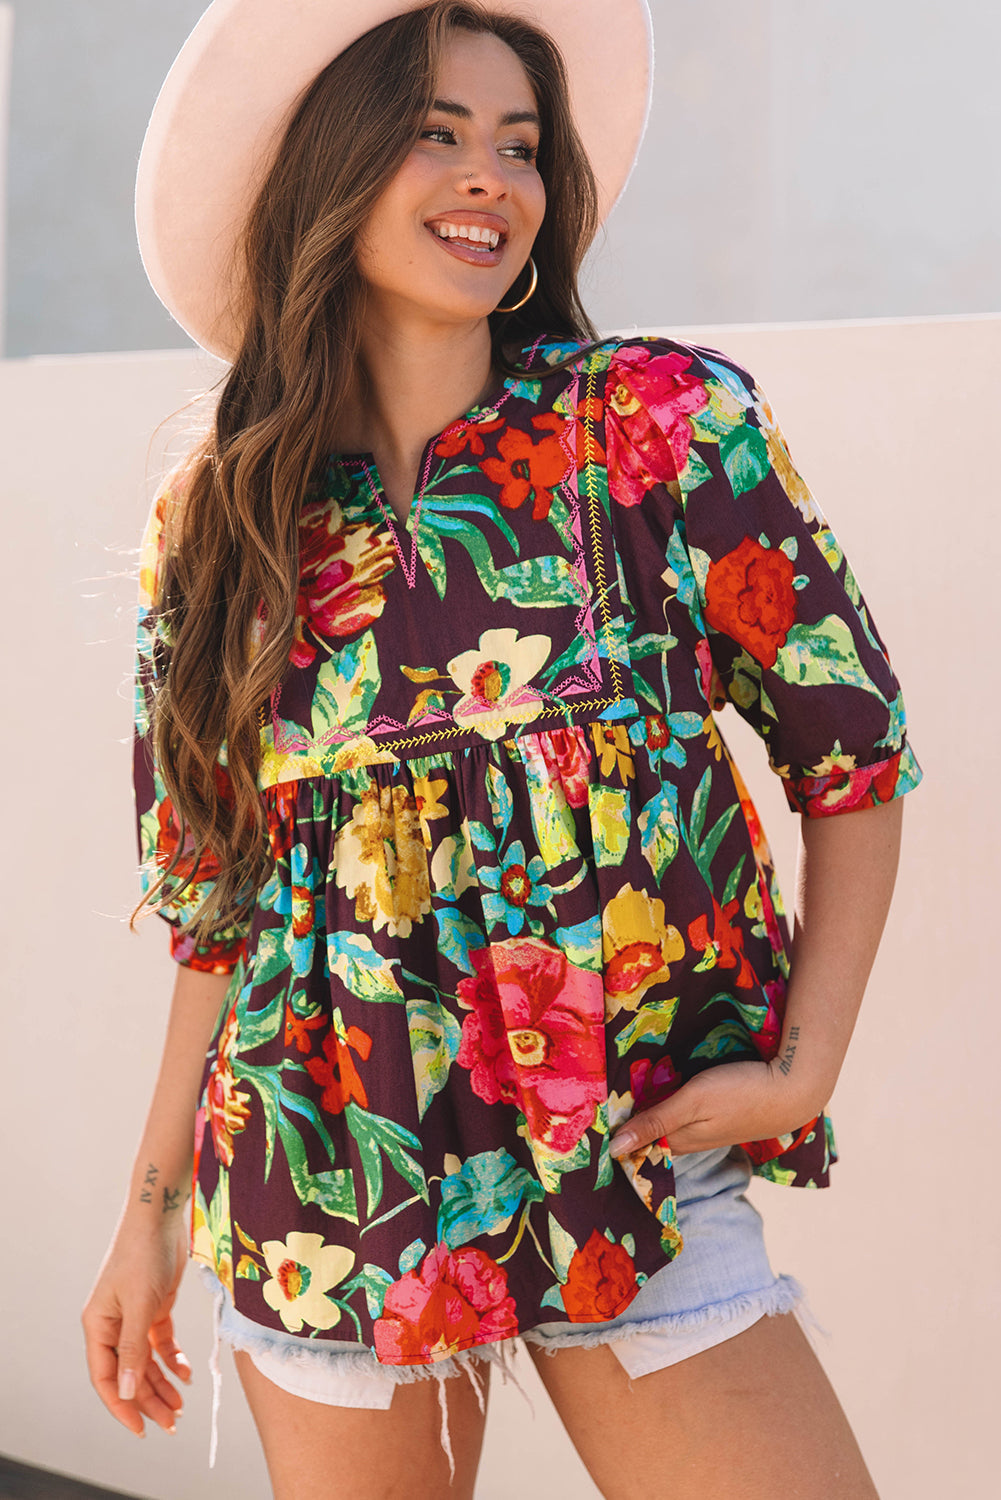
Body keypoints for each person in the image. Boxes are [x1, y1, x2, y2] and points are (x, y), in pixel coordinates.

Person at [82, 2, 922, 1496]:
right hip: (327, 1179)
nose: (492, 176)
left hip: (636, 1162)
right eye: (437, 131)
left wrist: (805, 1067)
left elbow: (851, 754)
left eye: (521, 145)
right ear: (327, 169)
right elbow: (219, 907)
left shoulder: (659, 427)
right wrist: (147, 1216)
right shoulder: (220, 519)